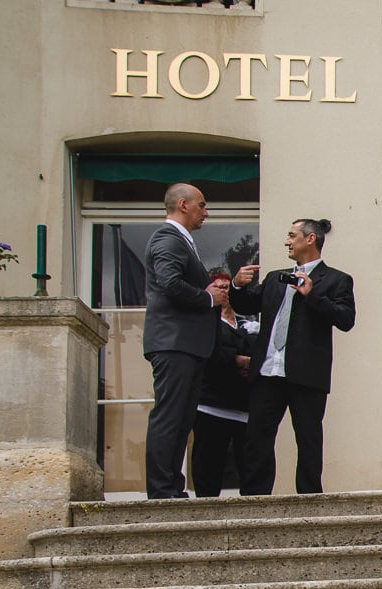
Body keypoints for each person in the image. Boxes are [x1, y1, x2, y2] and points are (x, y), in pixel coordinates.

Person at [229, 219, 356, 495]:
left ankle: (309, 498)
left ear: (310, 239)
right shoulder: (275, 277)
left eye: (291, 235)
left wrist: (312, 296)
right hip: (267, 371)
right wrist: (236, 286)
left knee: (308, 439)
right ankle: (254, 498)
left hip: (307, 374)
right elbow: (246, 304)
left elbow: (346, 320)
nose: (286, 241)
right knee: (257, 438)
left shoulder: (337, 279)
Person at [143, 182, 229, 499]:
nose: (205, 212)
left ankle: (172, 488)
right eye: (202, 205)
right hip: (174, 343)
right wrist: (208, 298)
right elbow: (168, 283)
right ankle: (162, 490)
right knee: (170, 417)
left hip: (187, 345)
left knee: (181, 420)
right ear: (183, 204)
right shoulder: (168, 239)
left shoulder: (181, 241)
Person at [190, 273, 255, 497]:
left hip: (244, 408)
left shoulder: (250, 323)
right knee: (208, 467)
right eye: (219, 288)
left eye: (228, 288)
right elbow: (208, 354)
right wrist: (237, 359)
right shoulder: (204, 321)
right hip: (211, 406)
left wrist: (249, 361)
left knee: (250, 468)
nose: (224, 292)